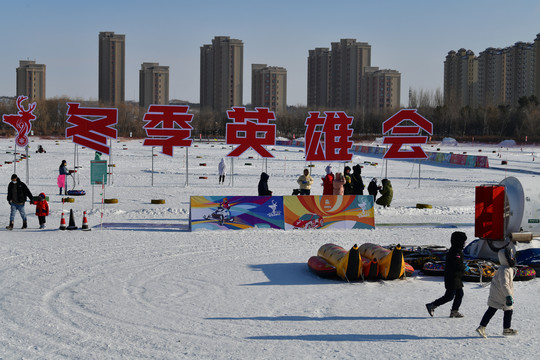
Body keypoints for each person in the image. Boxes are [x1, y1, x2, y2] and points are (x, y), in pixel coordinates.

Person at [476, 248, 518, 338]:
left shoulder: (507, 268)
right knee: (499, 309)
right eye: (511, 256)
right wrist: (508, 296)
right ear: (506, 258)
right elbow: (504, 284)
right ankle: (482, 327)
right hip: (500, 294)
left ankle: (505, 329)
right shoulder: (504, 270)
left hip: (500, 293)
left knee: (504, 310)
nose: (512, 258)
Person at [426, 231, 468, 318]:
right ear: (459, 241)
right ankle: (432, 305)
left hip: (457, 277)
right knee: (449, 296)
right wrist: (464, 267)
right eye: (464, 241)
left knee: (460, 294)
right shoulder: (455, 252)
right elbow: (456, 264)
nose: (465, 243)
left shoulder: (457, 251)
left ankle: (454, 311)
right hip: (452, 277)